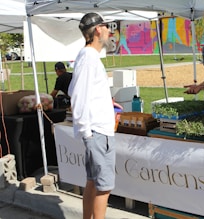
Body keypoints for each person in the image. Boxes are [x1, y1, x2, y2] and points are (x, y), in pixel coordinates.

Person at [68, 12, 116, 218]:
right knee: (104, 186)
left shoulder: (88, 56)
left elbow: (80, 90)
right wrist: (87, 133)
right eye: (106, 27)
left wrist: (107, 102)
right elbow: (77, 95)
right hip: (97, 132)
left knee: (93, 182)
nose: (109, 31)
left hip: (96, 130)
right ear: (98, 30)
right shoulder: (88, 57)